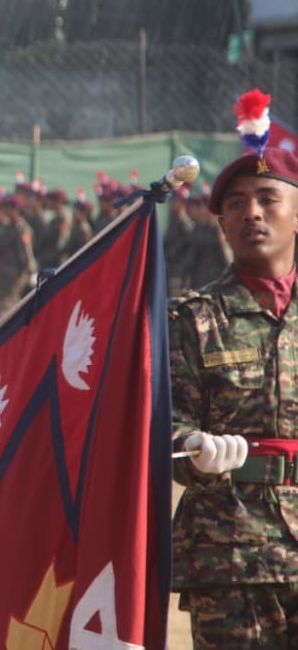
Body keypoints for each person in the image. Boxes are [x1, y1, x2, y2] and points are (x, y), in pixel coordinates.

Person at [169, 89, 298, 648]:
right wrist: (195, 450)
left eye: (269, 199)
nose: (253, 213)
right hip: (229, 550)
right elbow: (163, 430)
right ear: (220, 224)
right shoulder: (192, 318)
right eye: (237, 204)